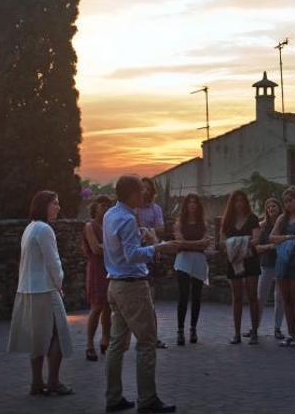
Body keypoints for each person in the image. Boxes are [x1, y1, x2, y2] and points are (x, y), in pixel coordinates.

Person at [103, 175, 180, 413]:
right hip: (132, 286)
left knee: (117, 343)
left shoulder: (109, 215)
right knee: (146, 342)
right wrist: (158, 247)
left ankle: (113, 397)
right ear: (131, 194)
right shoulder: (126, 219)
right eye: (140, 191)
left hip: (115, 284)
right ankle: (147, 400)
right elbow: (132, 255)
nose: (143, 195)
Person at [7, 190, 75, 396]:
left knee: (38, 338)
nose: (58, 207)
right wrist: (59, 283)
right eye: (54, 203)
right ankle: (53, 382)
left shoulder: (29, 228)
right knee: (58, 335)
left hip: (29, 288)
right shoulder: (44, 229)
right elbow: (53, 261)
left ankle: (37, 382)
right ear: (43, 206)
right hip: (45, 289)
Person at [270, 187, 295, 347]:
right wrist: (289, 237)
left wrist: (286, 241)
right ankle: (290, 333)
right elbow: (272, 237)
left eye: (290, 200)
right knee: (286, 299)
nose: (288, 204)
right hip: (282, 261)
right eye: (285, 202)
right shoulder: (282, 218)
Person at [220, 190, 262, 345]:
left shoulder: (252, 219)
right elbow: (222, 242)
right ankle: (236, 333)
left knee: (252, 296)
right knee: (236, 297)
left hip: (250, 259)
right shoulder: (227, 221)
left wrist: (237, 243)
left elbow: (257, 239)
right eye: (236, 200)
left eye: (241, 200)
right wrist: (242, 243)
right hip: (234, 261)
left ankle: (254, 332)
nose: (239, 203)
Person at [172, 194, 210, 346]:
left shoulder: (203, 224)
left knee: (196, 296)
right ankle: (180, 330)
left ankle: (193, 329)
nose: (192, 205)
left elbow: (206, 243)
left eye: (195, 202)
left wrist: (187, 244)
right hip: (183, 261)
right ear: (186, 205)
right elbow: (179, 242)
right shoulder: (179, 222)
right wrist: (197, 244)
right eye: (189, 202)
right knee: (183, 295)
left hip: (199, 261)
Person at [137, 177, 168, 350]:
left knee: (150, 298)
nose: (145, 191)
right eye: (142, 188)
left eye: (148, 189)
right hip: (135, 256)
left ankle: (153, 336)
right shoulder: (133, 209)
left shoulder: (155, 209)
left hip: (149, 256)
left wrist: (147, 231)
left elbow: (161, 228)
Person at [83, 195, 113, 362]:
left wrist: (107, 247)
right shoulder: (90, 226)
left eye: (109, 206)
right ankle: (89, 345)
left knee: (108, 307)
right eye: (103, 206)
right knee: (96, 307)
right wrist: (113, 248)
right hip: (96, 270)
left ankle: (105, 340)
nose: (106, 209)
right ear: (95, 207)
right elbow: (96, 249)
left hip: (110, 268)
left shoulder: (110, 226)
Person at [255, 198, 285, 339]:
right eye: (268, 207)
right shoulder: (262, 226)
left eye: (274, 206)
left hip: (281, 264)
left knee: (279, 298)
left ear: (279, 208)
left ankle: (277, 328)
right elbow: (256, 248)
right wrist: (270, 246)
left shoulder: (284, 224)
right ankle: (255, 327)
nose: (271, 209)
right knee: (260, 297)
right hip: (266, 265)